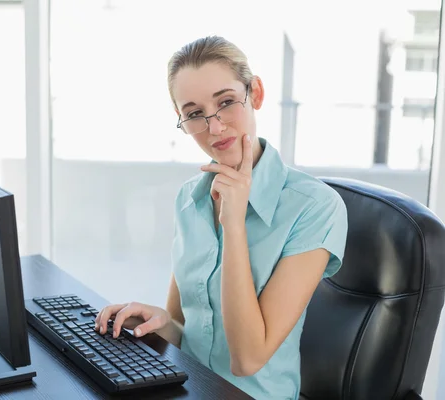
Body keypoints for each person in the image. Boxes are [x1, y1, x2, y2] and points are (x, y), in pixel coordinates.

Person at [94, 35, 348, 400]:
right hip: (188, 389)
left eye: (226, 102)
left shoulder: (315, 208)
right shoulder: (189, 199)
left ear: (255, 93)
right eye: (195, 113)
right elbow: (185, 330)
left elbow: (247, 360)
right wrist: (157, 324)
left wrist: (234, 222)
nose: (214, 128)